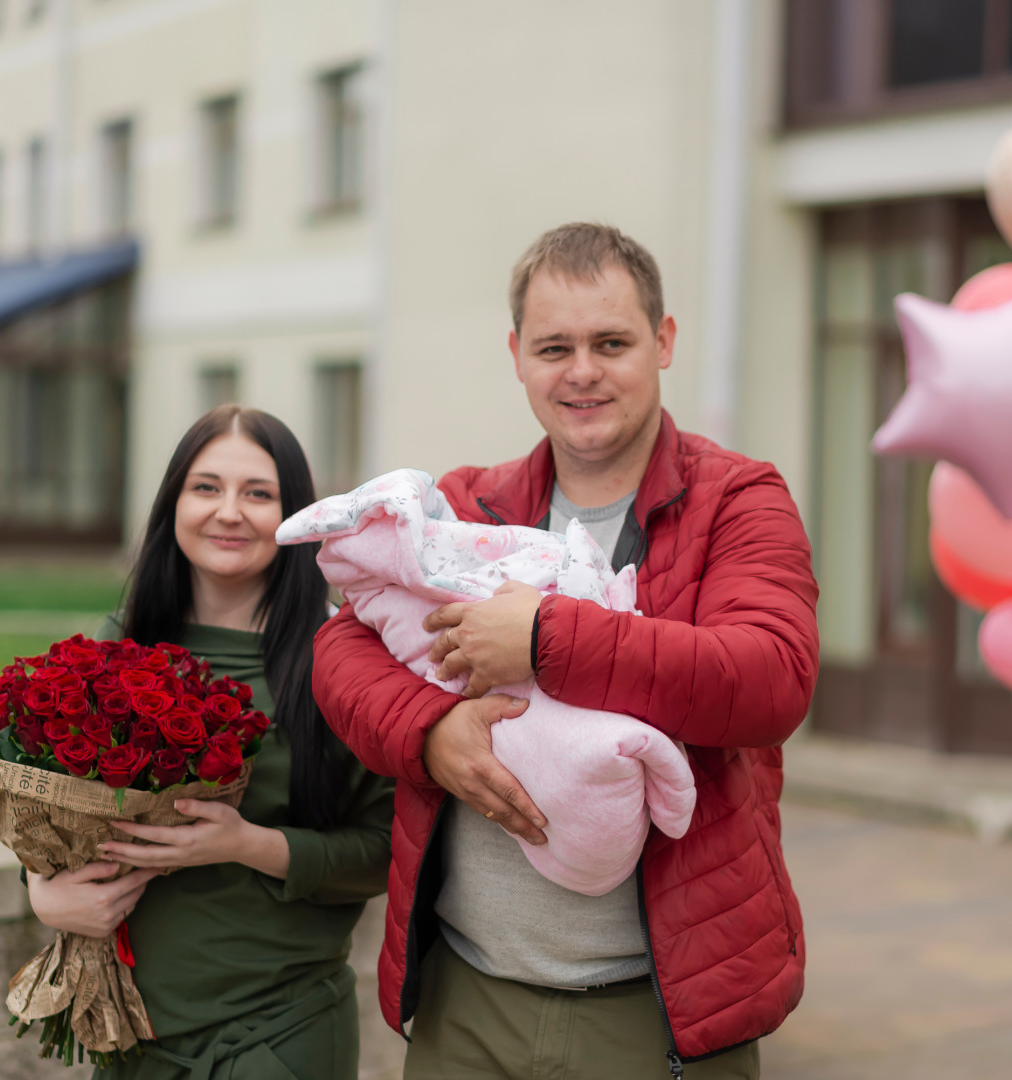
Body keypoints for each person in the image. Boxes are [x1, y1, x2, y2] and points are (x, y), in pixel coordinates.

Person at [314, 222, 820, 1080]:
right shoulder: (467, 505)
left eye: (610, 342)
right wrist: (432, 735)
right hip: (465, 1002)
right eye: (554, 346)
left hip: (657, 1014)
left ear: (662, 342)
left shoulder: (739, 499)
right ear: (517, 355)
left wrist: (543, 639)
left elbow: (769, 679)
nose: (581, 371)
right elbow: (341, 645)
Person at [26, 405, 395, 1080]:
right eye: (206, 487)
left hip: (278, 1035)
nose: (229, 511)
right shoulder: (116, 646)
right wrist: (40, 889)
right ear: (172, 504)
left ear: (294, 518)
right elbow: (47, 807)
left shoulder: (344, 659)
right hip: (130, 1032)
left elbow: (386, 849)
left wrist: (243, 843)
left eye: (258, 493)